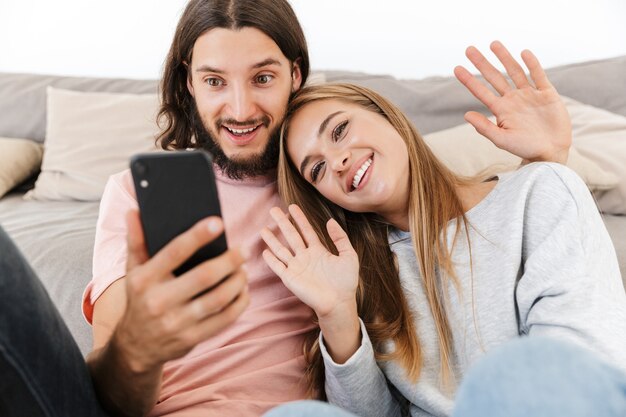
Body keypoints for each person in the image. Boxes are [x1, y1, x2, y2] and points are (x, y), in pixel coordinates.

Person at [0, 2, 570, 417]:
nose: (241, 108)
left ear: (296, 74)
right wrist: (141, 346)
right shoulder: (135, 193)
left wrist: (550, 161)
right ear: (189, 87)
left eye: (264, 78)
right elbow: (113, 393)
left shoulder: (337, 177)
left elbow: (455, 211)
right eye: (215, 81)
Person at [258, 44, 626, 417]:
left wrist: (545, 166)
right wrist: (337, 314)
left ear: (386, 113)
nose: (336, 162)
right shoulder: (361, 278)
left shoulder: (540, 191)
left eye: (339, 130)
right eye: (316, 169)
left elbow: (580, 368)